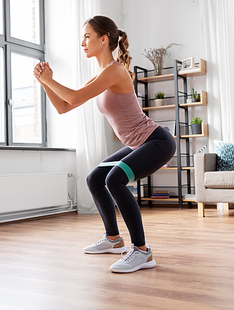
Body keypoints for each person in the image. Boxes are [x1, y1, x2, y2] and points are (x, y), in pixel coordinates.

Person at [33, 15, 176, 273]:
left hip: (157, 141)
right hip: (138, 144)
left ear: (103, 38)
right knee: (95, 179)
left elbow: (73, 96)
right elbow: (65, 106)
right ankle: (113, 239)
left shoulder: (115, 71)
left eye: (87, 36)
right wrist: (45, 84)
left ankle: (142, 252)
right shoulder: (102, 73)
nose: (82, 42)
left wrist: (49, 80)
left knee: (114, 179)